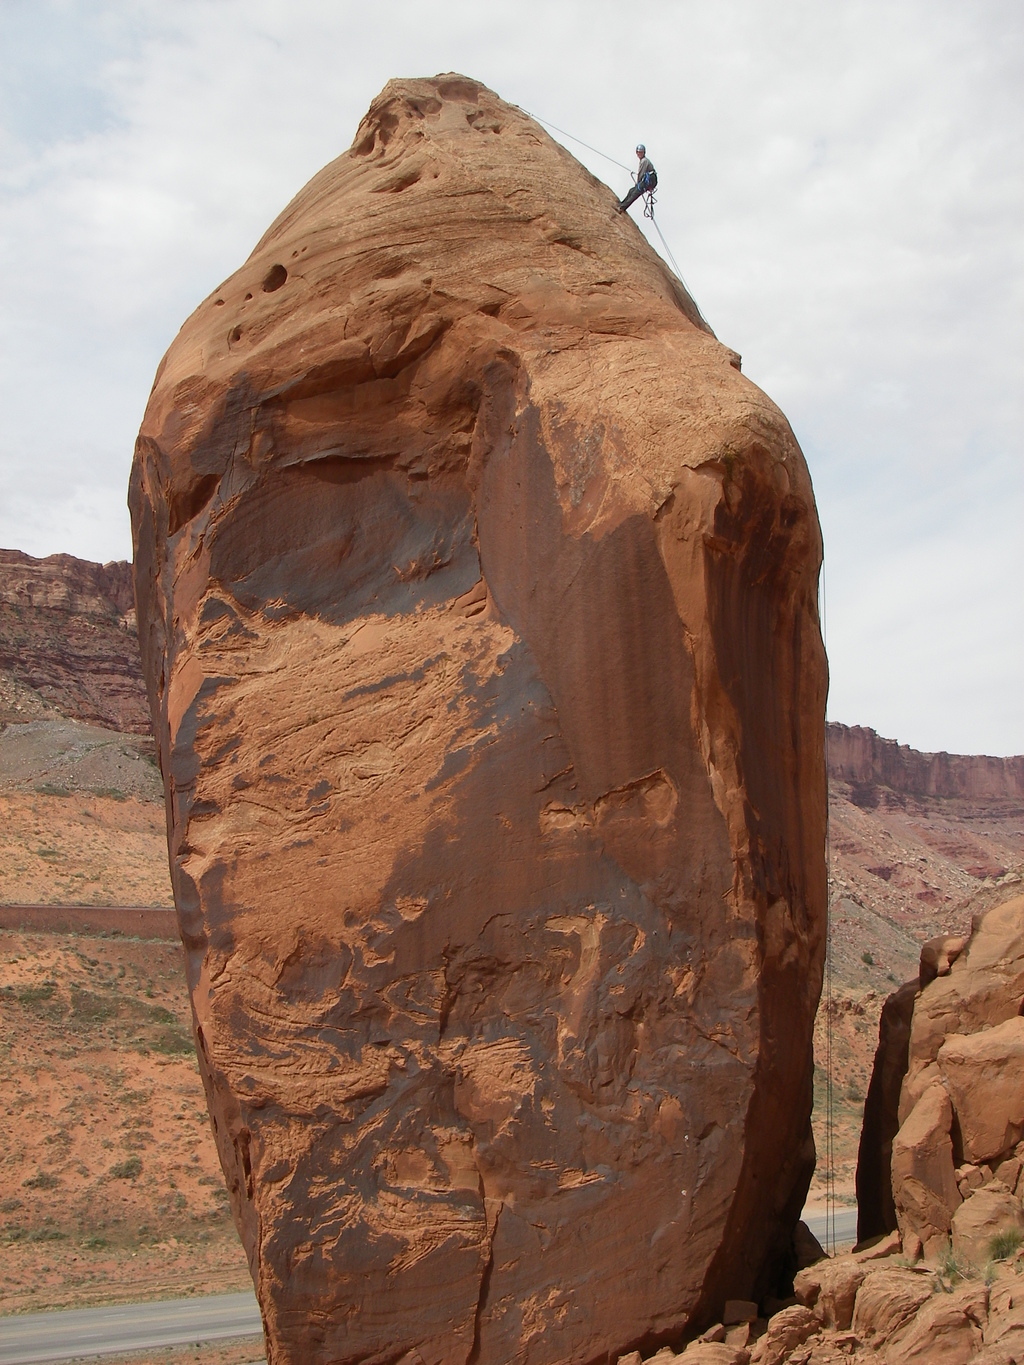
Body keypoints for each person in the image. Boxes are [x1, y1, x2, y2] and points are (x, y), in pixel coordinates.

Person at [616, 144, 657, 214]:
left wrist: (638, 182)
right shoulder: (643, 160)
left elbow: (641, 173)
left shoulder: (644, 161)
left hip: (650, 180)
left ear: (644, 152)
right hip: (648, 179)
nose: (639, 154)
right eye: (638, 152)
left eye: (641, 152)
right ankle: (622, 203)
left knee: (635, 193)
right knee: (631, 190)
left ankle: (622, 207)